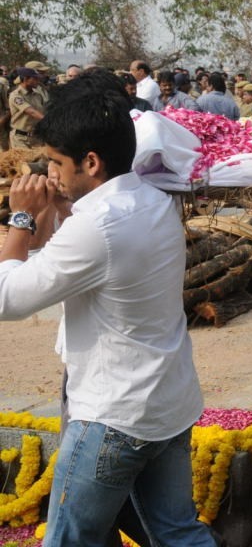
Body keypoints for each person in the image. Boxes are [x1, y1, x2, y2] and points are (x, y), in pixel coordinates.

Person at [0, 72, 215, 547]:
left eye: (56, 163)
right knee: (175, 530)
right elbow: (71, 264)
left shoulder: (97, 227)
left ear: (91, 162)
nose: (50, 173)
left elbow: (6, 299)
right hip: (165, 401)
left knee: (70, 538)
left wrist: (19, 217)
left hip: (112, 417)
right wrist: (55, 211)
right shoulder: (152, 201)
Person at [8, 67, 48, 149]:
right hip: (20, 138)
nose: (38, 81)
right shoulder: (16, 95)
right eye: (35, 79)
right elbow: (31, 112)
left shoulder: (37, 95)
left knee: (41, 160)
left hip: (36, 138)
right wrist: (49, 121)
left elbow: (43, 111)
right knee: (24, 161)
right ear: (26, 79)